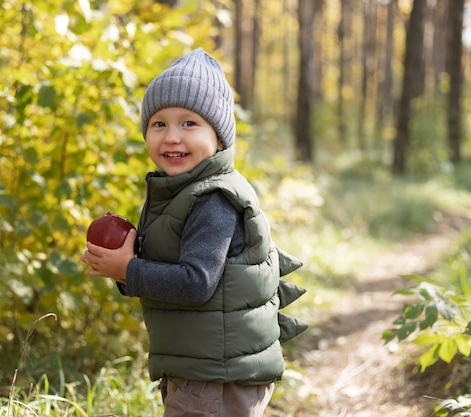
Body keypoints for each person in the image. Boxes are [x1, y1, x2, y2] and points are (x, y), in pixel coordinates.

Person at [81, 48, 307, 417]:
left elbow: (196, 283)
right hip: (206, 365)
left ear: (218, 137)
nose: (172, 137)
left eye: (189, 123)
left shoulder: (212, 200)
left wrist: (129, 271)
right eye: (159, 124)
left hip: (216, 374)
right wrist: (126, 265)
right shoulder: (183, 192)